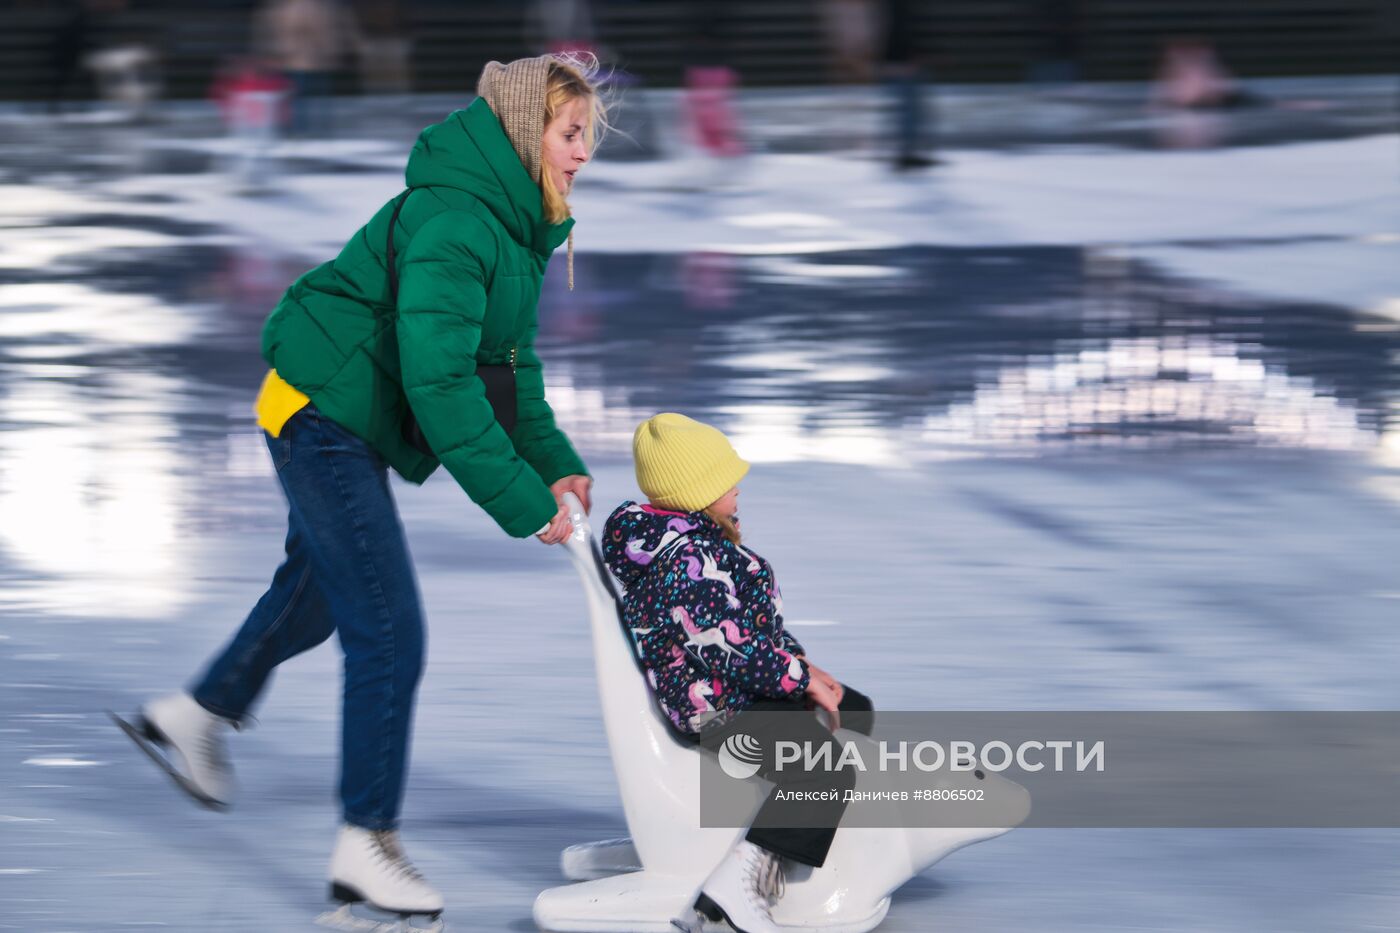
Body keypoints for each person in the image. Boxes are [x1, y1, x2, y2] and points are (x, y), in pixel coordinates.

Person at [116, 53, 607, 927]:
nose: (582, 156)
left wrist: (552, 460)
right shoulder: (458, 222)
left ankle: (194, 713)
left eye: (586, 141)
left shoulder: (518, 228)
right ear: (529, 132)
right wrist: (523, 504)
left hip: (346, 410)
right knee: (387, 626)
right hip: (319, 407)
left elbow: (507, 369)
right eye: (571, 136)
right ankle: (363, 846)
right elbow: (442, 385)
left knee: (319, 594)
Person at [602, 413, 875, 933]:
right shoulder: (685, 561)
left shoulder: (693, 542)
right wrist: (798, 679)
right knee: (823, 767)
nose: (737, 486)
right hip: (719, 707)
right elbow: (729, 650)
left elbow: (751, 629)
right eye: (726, 479)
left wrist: (804, 667)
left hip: (734, 690)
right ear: (696, 492)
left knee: (854, 709)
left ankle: (802, 836)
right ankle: (737, 885)